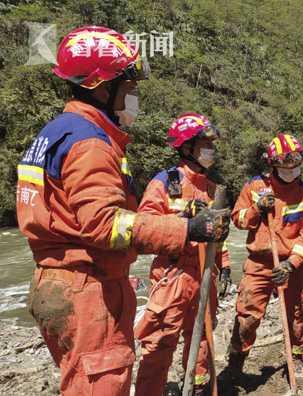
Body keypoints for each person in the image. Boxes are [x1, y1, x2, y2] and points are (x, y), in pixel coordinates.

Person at [17, 26, 228, 395]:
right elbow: (105, 225)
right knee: (100, 381)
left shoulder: (56, 133)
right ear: (102, 86)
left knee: (80, 379)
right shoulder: (90, 144)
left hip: (57, 280)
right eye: (129, 89)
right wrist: (187, 230)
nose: (133, 99)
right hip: (88, 286)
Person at [134, 113, 232, 395]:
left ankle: (197, 389)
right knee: (160, 341)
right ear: (187, 146)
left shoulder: (213, 187)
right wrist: (185, 222)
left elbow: (219, 236)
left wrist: (223, 266)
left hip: (204, 274)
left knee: (202, 339)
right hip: (173, 275)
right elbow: (144, 229)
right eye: (204, 143)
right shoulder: (166, 182)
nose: (210, 149)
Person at [226, 133, 303, 378]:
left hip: (290, 265)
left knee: (296, 313)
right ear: (272, 163)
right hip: (259, 263)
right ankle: (236, 360)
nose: (291, 168)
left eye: (296, 162)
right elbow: (238, 220)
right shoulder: (256, 187)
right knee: (247, 315)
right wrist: (257, 209)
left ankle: (296, 358)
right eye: (285, 163)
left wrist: (291, 263)